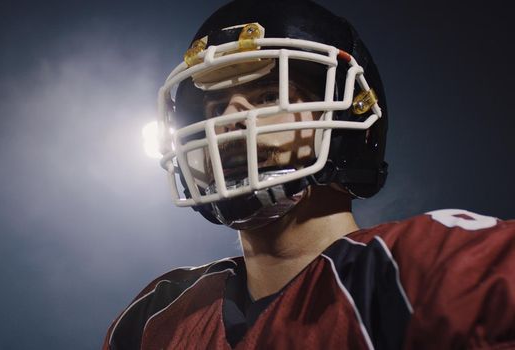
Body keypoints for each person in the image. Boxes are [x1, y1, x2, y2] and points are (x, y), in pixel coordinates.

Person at [103, 0, 515, 348]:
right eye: (216, 107)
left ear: (345, 115)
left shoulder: (427, 267)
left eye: (268, 95)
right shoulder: (157, 315)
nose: (230, 119)